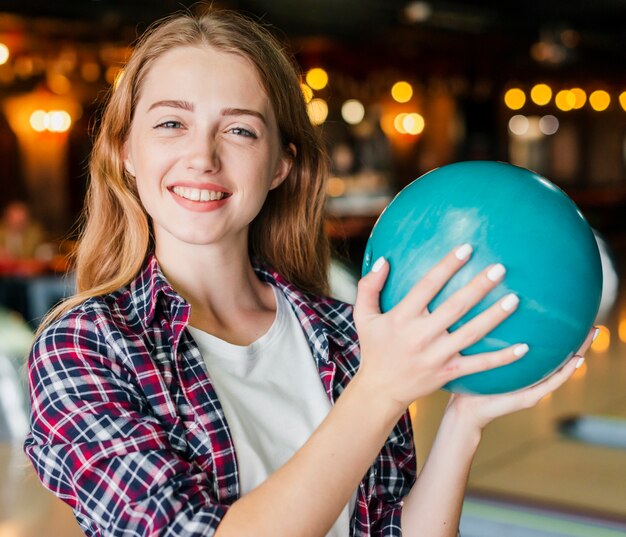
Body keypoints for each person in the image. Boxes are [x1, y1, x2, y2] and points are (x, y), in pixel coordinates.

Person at [23, 8, 595, 537]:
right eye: (171, 123)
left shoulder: (349, 334)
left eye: (240, 129)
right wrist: (380, 391)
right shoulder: (85, 346)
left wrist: (465, 421)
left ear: (280, 164)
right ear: (126, 150)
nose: (203, 156)